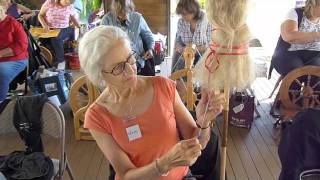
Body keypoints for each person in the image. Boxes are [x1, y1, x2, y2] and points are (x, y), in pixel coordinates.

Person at [79, 25, 225, 179]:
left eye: (130, 58)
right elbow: (126, 175)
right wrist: (164, 164)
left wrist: (203, 122)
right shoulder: (97, 116)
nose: (130, 70)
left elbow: (197, 142)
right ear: (99, 75)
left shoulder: (163, 87)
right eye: (118, 68)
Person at [101, 0, 155, 76]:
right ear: (115, 11)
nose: (125, 15)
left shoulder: (137, 18)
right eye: (121, 12)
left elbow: (148, 36)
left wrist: (150, 49)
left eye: (127, 11)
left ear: (130, 9)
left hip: (138, 62)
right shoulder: (107, 20)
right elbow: (101, 43)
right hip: (117, 65)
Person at [271, 0, 320, 76]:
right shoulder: (295, 13)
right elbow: (290, 36)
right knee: (296, 71)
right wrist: (317, 35)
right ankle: (293, 87)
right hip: (288, 54)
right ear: (313, 4)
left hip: (313, 56)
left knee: (317, 71)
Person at [172, 0, 213, 73]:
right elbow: (178, 39)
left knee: (200, 73)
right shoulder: (181, 21)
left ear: (193, 11)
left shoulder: (206, 20)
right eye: (181, 14)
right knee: (178, 70)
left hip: (202, 53)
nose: (183, 17)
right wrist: (179, 47)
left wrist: (195, 49)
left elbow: (210, 45)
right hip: (185, 53)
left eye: (185, 14)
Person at [38, 0, 80, 69]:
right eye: (66, 2)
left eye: (69, 3)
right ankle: (56, 60)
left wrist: (78, 26)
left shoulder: (70, 6)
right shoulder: (49, 3)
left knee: (57, 37)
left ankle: (62, 60)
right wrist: (44, 25)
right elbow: (40, 15)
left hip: (64, 28)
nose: (67, 4)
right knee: (45, 39)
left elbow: (72, 17)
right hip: (50, 29)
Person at [0, 3, 28, 101]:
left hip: (16, 59)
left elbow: (22, 45)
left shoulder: (13, 23)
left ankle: (1, 103)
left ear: (3, 10)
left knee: (1, 72)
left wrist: (1, 53)